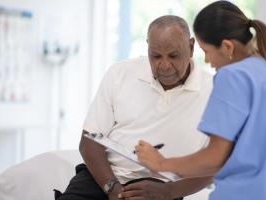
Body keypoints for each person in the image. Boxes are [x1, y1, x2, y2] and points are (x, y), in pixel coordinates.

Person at [132, 1, 266, 200]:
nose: (207, 61)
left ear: (227, 47)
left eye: (206, 51)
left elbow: (215, 158)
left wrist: (161, 163)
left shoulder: (232, 76)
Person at [54, 15, 214, 200]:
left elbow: (214, 163)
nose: (164, 65)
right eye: (155, 56)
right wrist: (113, 190)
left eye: (173, 55)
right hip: (104, 180)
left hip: (162, 190)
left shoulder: (214, 91)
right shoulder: (119, 74)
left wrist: (169, 192)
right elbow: (89, 141)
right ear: (147, 48)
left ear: (191, 47)